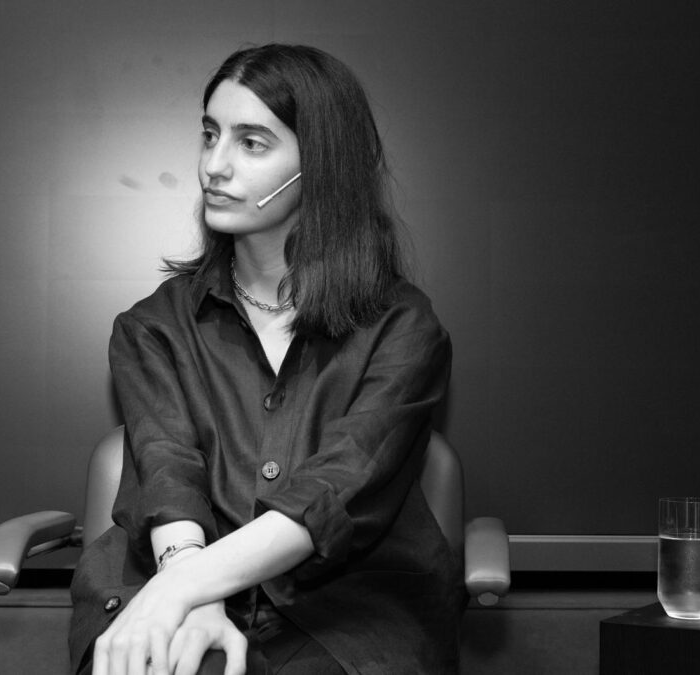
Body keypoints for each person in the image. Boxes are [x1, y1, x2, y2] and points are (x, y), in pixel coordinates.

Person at [69, 43, 463, 675]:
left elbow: (335, 490)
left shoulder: (403, 328)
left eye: (251, 143)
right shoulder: (153, 327)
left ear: (321, 165)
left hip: (348, 620)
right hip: (173, 574)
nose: (213, 166)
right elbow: (168, 474)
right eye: (210, 135)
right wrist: (188, 594)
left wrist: (181, 590)